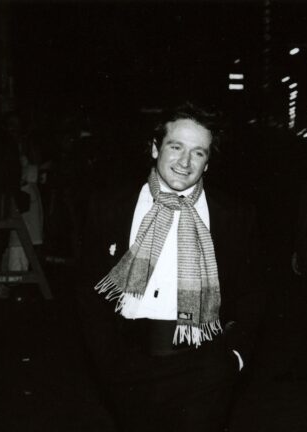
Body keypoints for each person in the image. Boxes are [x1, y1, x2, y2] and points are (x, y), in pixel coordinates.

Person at [76, 102, 263, 432]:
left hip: (204, 365)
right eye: (175, 147)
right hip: (128, 364)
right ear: (155, 148)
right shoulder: (110, 206)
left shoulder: (233, 215)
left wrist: (234, 356)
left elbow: (253, 291)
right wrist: (106, 358)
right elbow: (87, 288)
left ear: (207, 162)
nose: (185, 162)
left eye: (198, 153)